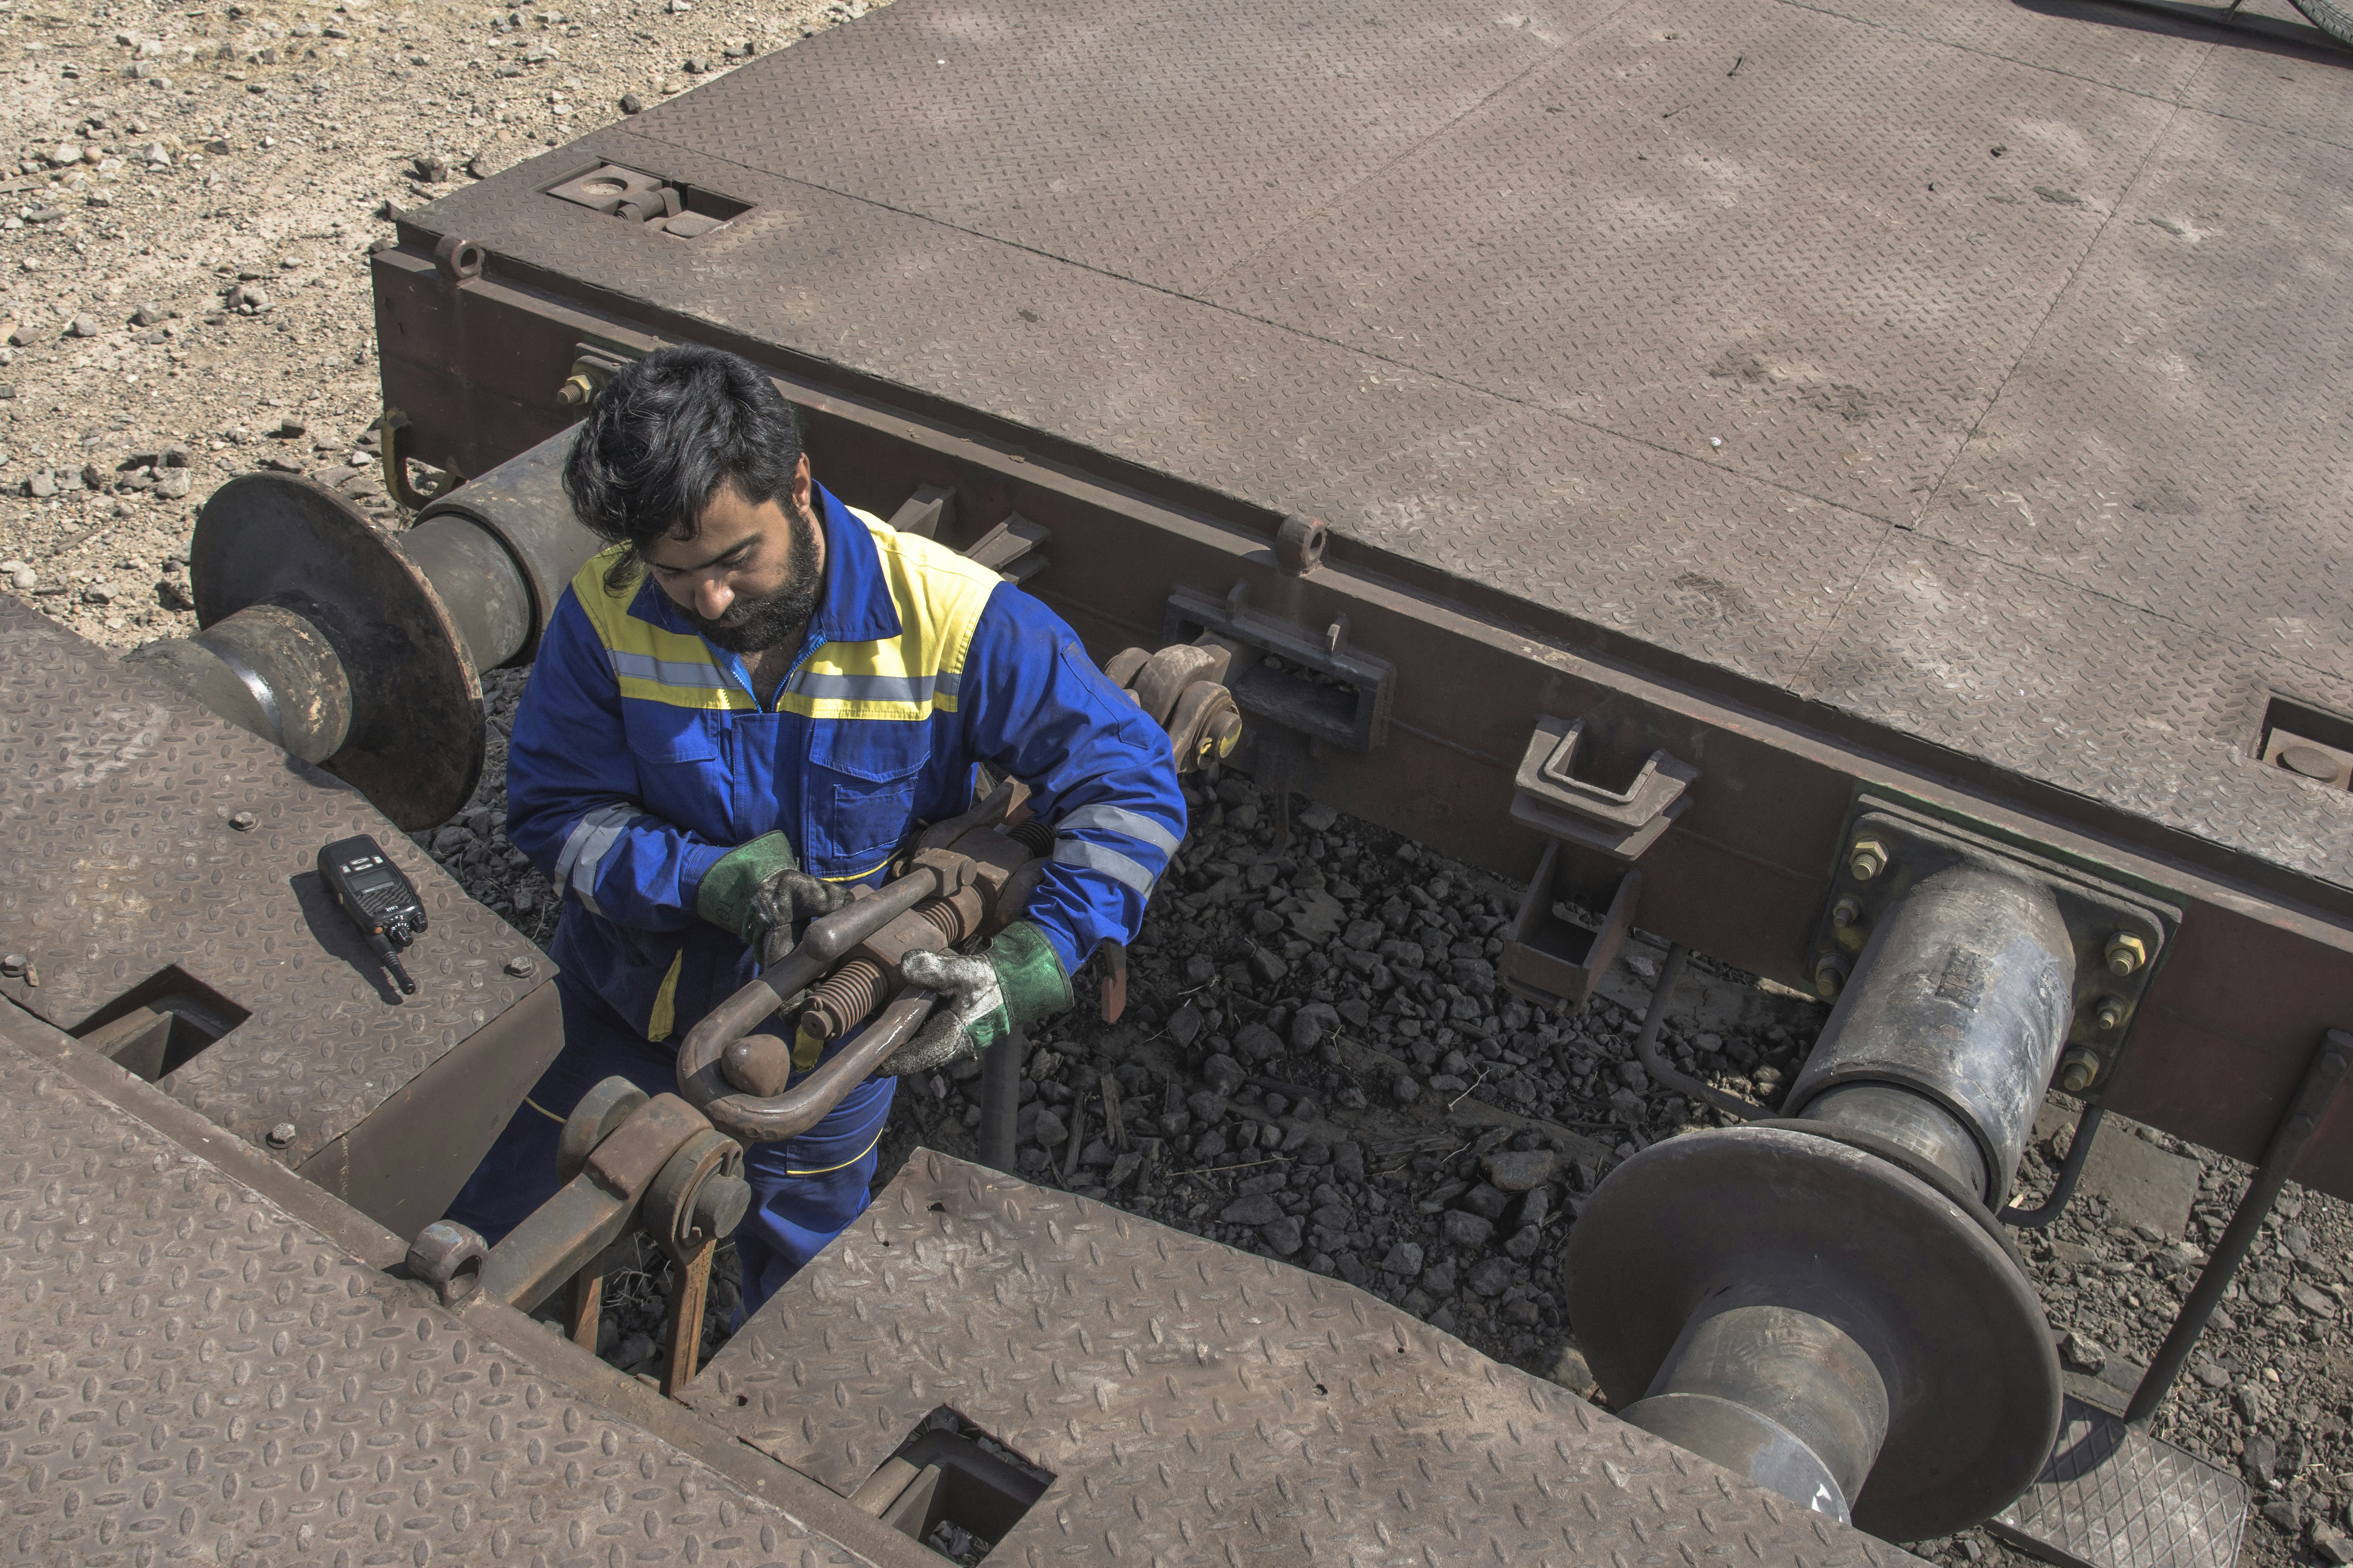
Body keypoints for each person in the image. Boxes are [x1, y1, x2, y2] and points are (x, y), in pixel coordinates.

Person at [447, 345, 1186, 1318]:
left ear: (797, 486)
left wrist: (1039, 956)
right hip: (623, 1005)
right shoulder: (608, 610)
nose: (711, 600)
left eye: (733, 560)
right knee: (495, 1249)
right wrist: (703, 878)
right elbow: (556, 814)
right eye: (677, 574)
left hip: (827, 1043)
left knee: (796, 1295)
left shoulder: (951, 618)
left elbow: (1130, 784)